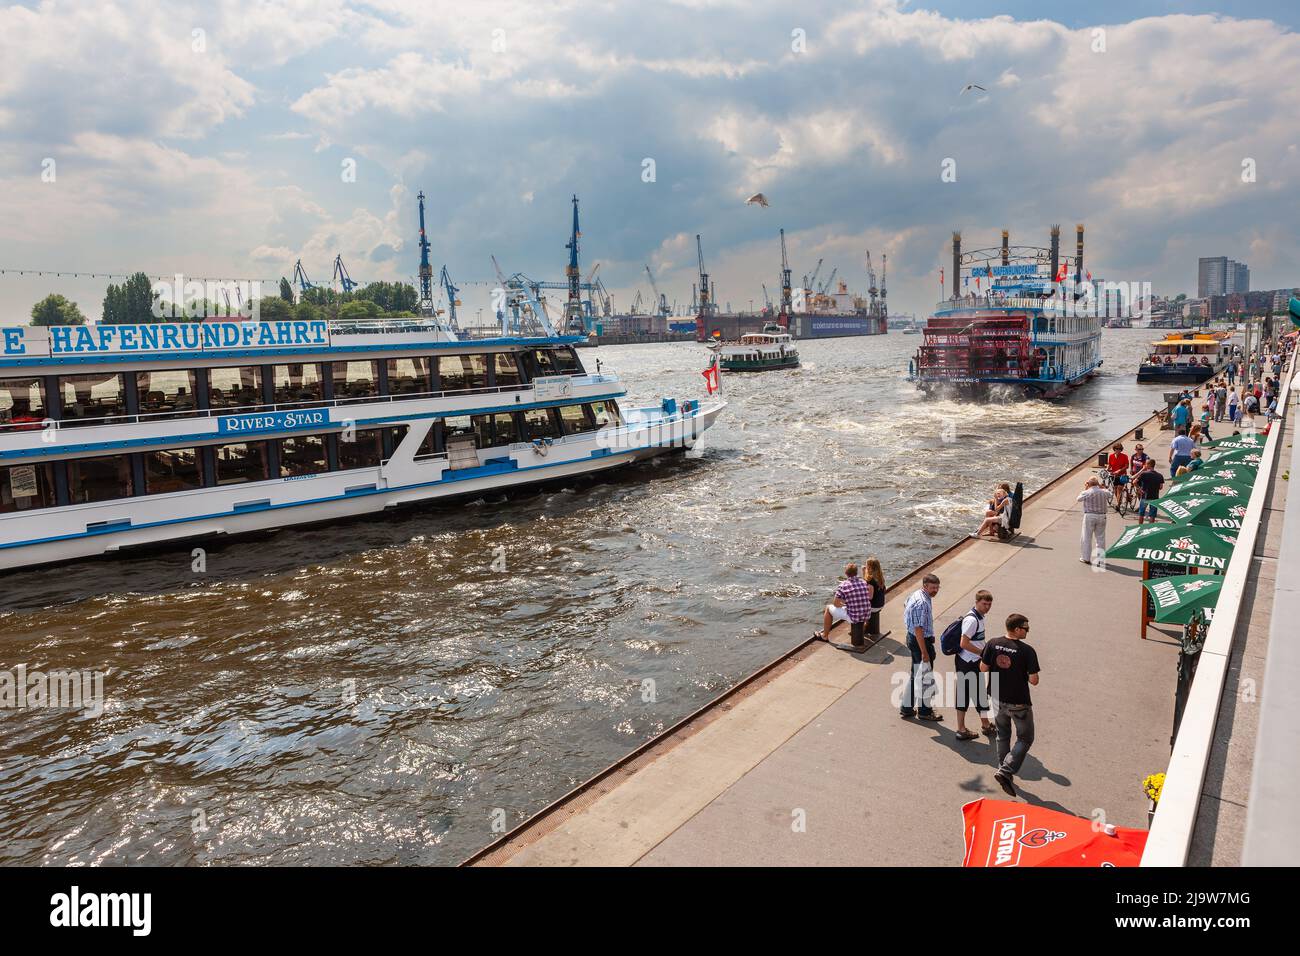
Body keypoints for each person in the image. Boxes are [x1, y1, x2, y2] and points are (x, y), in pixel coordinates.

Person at [980, 613, 1041, 797]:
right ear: (1016, 629)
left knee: (1002, 735)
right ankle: (1006, 771)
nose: (1028, 631)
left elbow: (983, 668)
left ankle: (1002, 768)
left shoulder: (992, 643)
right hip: (1018, 701)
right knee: (1025, 738)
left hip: (997, 697)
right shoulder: (1027, 651)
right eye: (1025, 628)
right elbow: (1034, 680)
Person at [900, 574, 943, 721]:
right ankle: (925, 711)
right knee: (924, 677)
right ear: (925, 586)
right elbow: (918, 629)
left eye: (937, 587)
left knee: (916, 675)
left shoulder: (917, 594)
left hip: (914, 638)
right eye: (932, 588)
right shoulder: (922, 602)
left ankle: (906, 707)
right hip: (920, 642)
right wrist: (924, 651)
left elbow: (906, 605)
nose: (935, 590)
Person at [954, 590, 994, 740]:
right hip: (967, 662)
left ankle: (985, 724)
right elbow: (963, 643)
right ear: (976, 602)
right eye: (984, 604)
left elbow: (976, 640)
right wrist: (982, 653)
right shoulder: (972, 620)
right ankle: (961, 729)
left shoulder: (979, 617)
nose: (987, 607)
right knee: (964, 694)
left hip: (972, 661)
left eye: (989, 604)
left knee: (979, 693)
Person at [814, 562, 872, 651]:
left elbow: (836, 604)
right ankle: (860, 631)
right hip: (867, 614)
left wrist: (844, 603)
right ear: (856, 572)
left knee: (828, 608)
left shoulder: (843, 585)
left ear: (846, 573)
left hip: (854, 617)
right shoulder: (863, 582)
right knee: (855, 607)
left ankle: (824, 636)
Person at [1077, 475, 1110, 565]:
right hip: (1102, 516)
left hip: (1090, 516)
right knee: (1100, 538)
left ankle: (1086, 558)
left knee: (1086, 537)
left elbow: (1078, 499)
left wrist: (1086, 488)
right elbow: (1110, 494)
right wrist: (1102, 487)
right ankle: (1100, 559)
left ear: (1088, 484)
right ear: (1097, 483)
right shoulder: (1104, 492)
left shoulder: (1087, 492)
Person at [1134, 458, 1164, 525]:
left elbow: (1134, 482)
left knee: (1141, 513)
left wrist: (1139, 489)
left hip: (1145, 496)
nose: (1145, 465)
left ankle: (1140, 527)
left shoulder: (1144, 474)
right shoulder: (1160, 475)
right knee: (1152, 515)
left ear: (1149, 465)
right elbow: (1161, 487)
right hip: (1155, 497)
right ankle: (1150, 528)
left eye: (1146, 464)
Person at [864, 557, 887, 639]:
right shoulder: (880, 577)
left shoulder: (870, 581)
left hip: (874, 607)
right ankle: (867, 625)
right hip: (881, 604)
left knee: (858, 606)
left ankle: (862, 628)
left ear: (869, 568)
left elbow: (870, 597)